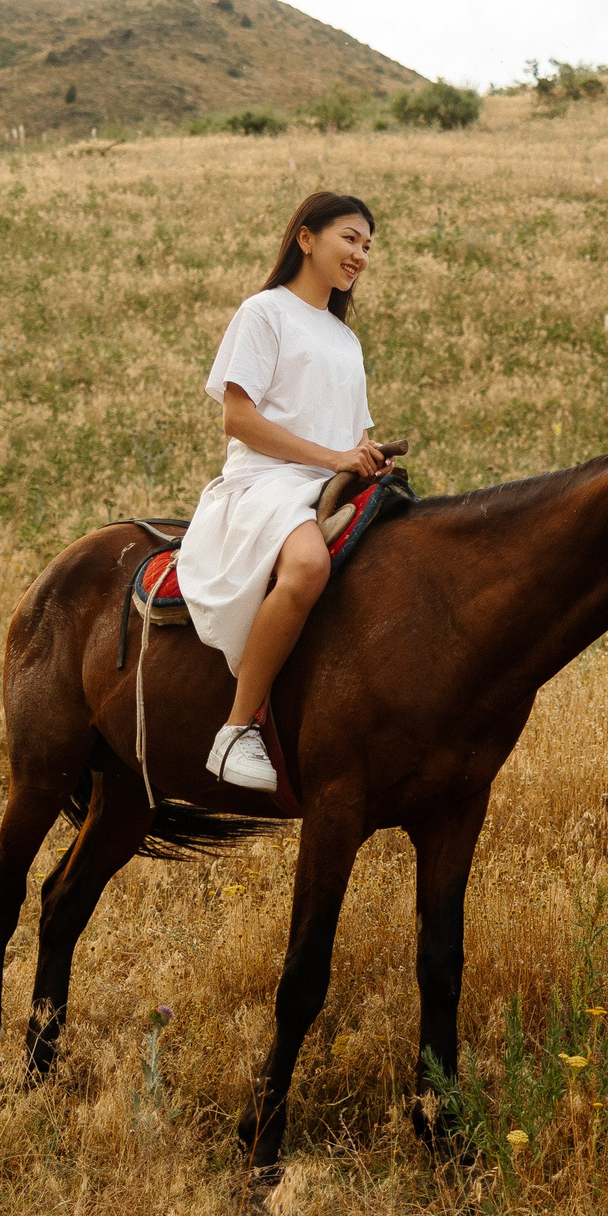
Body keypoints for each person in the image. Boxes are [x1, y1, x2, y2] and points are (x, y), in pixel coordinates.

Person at [176, 193, 389, 791]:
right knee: (307, 566)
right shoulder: (264, 312)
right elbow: (237, 419)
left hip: (327, 487)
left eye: (367, 246)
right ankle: (237, 729)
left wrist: (366, 457)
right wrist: (334, 457)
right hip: (266, 483)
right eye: (350, 238)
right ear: (306, 238)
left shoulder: (346, 340)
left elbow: (355, 434)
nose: (360, 255)